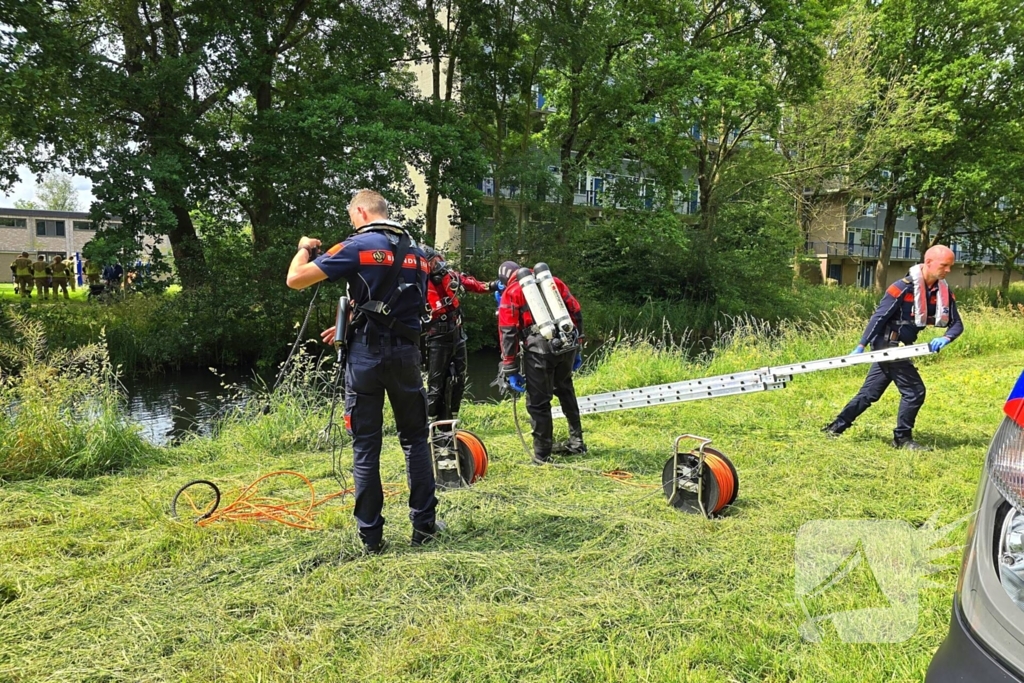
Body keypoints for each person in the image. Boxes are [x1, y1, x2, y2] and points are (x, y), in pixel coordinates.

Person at [286, 189, 441, 554]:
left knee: (366, 445)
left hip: (366, 358)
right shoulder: (417, 253)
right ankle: (425, 528)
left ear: (360, 211)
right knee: (415, 441)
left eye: (351, 216)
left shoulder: (358, 245)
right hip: (406, 356)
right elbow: (404, 303)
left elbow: (296, 279)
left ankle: (372, 538)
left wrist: (305, 248)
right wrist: (357, 316)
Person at [823, 245, 963, 450]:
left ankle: (835, 428)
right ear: (929, 262)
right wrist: (861, 345)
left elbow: (957, 324)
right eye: (944, 265)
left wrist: (946, 338)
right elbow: (879, 317)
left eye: (951, 266)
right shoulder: (902, 287)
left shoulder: (943, 292)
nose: (948, 271)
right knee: (915, 391)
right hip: (887, 345)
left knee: (870, 392)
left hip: (903, 347)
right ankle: (902, 439)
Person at [496, 261, 587, 464]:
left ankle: (542, 454)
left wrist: (510, 367)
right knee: (565, 389)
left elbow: (508, 332)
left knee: (538, 403)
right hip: (567, 343)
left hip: (540, 350)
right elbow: (576, 311)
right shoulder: (553, 281)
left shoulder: (512, 292)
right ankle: (577, 441)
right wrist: (578, 345)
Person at [422, 246, 498, 427]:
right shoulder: (419, 284)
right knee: (436, 384)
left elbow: (471, 284)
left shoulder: (450, 276)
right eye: (433, 262)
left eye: (438, 259)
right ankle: (429, 425)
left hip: (457, 333)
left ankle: (453, 420)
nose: (438, 264)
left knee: (460, 379)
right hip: (436, 338)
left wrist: (492, 286)